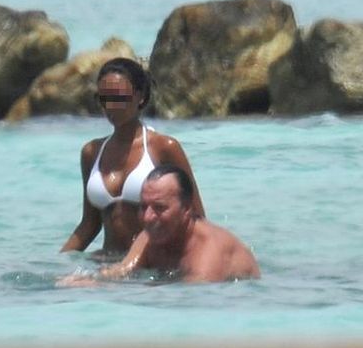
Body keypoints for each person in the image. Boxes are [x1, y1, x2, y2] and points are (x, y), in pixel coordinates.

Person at [59, 57, 205, 260]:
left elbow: (197, 216)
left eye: (118, 98)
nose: (110, 106)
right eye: (104, 99)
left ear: (140, 96)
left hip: (155, 265)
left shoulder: (163, 148)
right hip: (108, 262)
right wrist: (57, 263)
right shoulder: (91, 152)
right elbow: (89, 224)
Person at [61, 165, 259, 284]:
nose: (147, 217)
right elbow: (122, 272)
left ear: (187, 208)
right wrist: (90, 282)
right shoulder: (151, 236)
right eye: (143, 206)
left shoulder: (208, 254)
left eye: (159, 208)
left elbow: (192, 308)